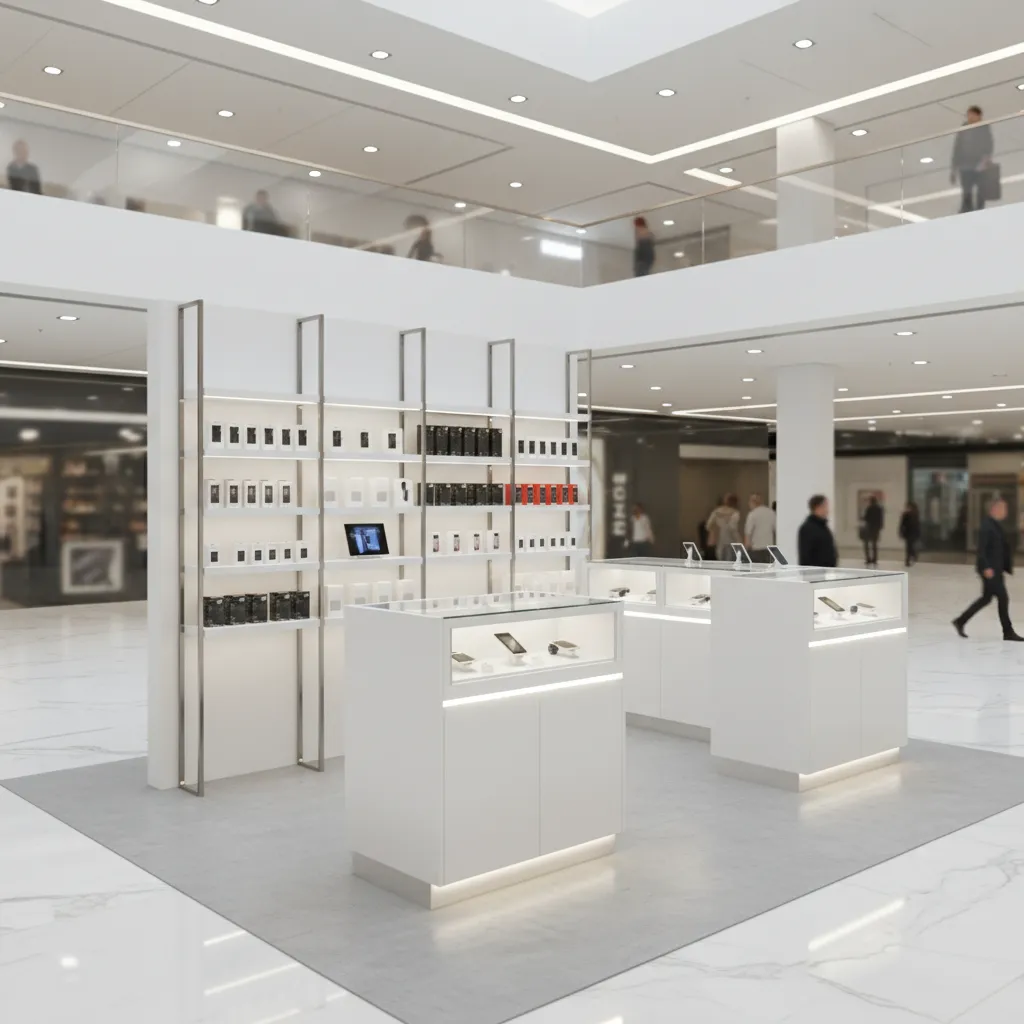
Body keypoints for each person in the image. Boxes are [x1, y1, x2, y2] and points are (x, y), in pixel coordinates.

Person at [953, 496, 1023, 641]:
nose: (1005, 511)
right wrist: (986, 567)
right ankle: (1008, 632)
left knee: (986, 599)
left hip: (995, 569)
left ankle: (960, 621)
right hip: (990, 570)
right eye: (1003, 508)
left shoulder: (995, 524)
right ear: (994, 509)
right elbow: (982, 549)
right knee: (1003, 598)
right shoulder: (987, 525)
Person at [950, 105, 994, 213]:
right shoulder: (964, 128)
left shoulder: (984, 127)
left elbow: (988, 145)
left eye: (972, 115)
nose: (969, 117)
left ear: (978, 116)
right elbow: (957, 148)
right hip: (965, 165)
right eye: (968, 115)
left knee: (980, 190)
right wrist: (953, 169)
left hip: (979, 165)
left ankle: (979, 210)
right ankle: (966, 209)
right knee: (966, 189)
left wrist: (985, 160)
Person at [798, 494, 838, 568]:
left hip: (826, 572)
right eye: (826, 506)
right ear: (818, 507)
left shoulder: (823, 526)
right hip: (815, 574)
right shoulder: (808, 528)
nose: (828, 510)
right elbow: (805, 556)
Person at [706, 494, 740, 561]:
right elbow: (733, 529)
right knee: (730, 563)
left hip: (720, 542)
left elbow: (708, 526)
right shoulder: (735, 513)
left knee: (721, 562)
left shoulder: (716, 512)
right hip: (731, 542)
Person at [744, 493, 776, 563]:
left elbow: (748, 533)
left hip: (756, 549)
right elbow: (775, 530)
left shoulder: (752, 514)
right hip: (769, 549)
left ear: (753, 502)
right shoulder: (771, 513)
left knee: (757, 571)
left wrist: (746, 550)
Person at [861, 495, 884, 567]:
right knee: (874, 544)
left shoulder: (869, 508)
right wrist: (880, 527)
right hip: (876, 528)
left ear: (870, 501)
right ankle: (875, 559)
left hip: (869, 528)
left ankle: (868, 559)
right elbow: (881, 519)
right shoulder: (879, 509)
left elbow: (866, 518)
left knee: (866, 544)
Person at [899, 501, 921, 567]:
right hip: (909, 532)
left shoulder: (914, 514)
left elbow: (903, 524)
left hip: (911, 532)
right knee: (909, 546)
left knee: (909, 546)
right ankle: (910, 558)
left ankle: (910, 557)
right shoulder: (910, 514)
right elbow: (902, 524)